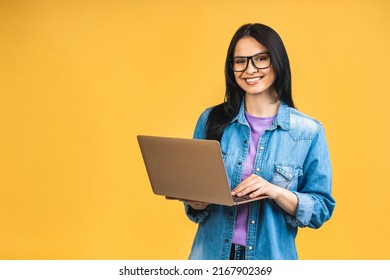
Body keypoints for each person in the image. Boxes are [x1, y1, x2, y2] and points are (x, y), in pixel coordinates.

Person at [183, 23, 335, 260]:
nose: (250, 69)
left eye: (261, 58)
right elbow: (196, 206)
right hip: (209, 256)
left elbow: (321, 209)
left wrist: (274, 192)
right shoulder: (210, 120)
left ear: (277, 62)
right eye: (240, 61)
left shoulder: (308, 132)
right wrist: (197, 202)